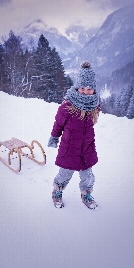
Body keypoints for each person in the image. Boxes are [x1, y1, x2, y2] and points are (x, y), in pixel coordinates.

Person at [48, 60, 100, 210]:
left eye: (89, 89)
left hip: (87, 149)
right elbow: (58, 123)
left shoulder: (94, 105)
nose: (85, 91)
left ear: (94, 90)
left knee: (88, 176)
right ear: (77, 87)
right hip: (70, 148)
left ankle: (86, 194)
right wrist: (54, 137)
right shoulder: (67, 105)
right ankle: (57, 191)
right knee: (64, 174)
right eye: (82, 88)